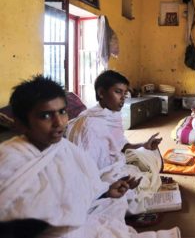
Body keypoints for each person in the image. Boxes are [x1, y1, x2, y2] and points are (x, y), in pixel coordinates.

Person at [0, 75, 143, 237]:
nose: (59, 122)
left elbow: (83, 189)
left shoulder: (66, 149)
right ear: (20, 123)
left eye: (62, 112)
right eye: (45, 116)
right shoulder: (8, 159)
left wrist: (106, 192)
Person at [66, 70, 163, 214]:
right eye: (118, 92)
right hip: (99, 173)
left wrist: (144, 145)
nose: (123, 98)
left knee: (152, 154)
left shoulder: (113, 115)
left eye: (125, 93)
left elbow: (121, 145)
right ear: (101, 93)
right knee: (133, 190)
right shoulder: (90, 124)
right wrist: (111, 183)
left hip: (114, 163)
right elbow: (87, 168)